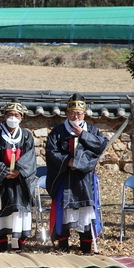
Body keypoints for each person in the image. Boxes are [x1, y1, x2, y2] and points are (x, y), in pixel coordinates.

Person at [45, 93, 107, 254]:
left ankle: (86, 246)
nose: (75, 116)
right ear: (67, 113)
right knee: (63, 211)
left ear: (84, 114)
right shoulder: (58, 131)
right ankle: (63, 245)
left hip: (84, 179)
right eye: (72, 113)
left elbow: (99, 147)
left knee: (85, 210)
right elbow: (51, 152)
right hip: (64, 176)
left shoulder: (91, 130)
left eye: (79, 113)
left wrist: (83, 135)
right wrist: (68, 161)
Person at [0, 100, 37, 253]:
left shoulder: (26, 136)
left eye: (17, 115)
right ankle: (0, 242)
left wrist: (19, 170)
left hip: (20, 180)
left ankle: (18, 242)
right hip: (1, 179)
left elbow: (30, 156)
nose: (13, 117)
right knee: (1, 208)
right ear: (5, 116)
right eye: (10, 114)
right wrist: (3, 171)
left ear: (22, 118)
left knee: (19, 211)